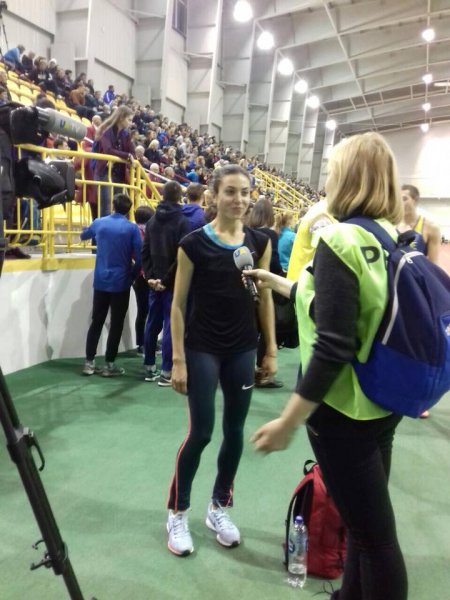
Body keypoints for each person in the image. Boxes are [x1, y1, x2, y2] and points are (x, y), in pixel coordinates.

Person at [248, 133, 408, 600]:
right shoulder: (390, 237)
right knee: (362, 529)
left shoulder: (339, 239)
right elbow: (340, 308)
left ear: (347, 178)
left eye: (333, 171)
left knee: (375, 539)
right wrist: (278, 282)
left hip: (340, 411)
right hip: (381, 403)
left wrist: (288, 421)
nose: (327, 181)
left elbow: (334, 344)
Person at [166, 164, 278, 557]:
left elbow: (265, 298)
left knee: (234, 432)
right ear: (214, 195)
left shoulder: (260, 241)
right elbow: (177, 305)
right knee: (201, 433)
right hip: (202, 349)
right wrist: (178, 359)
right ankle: (178, 512)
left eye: (245, 192)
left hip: (242, 349)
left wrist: (270, 349)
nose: (239, 199)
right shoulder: (193, 243)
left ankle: (219, 507)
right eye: (231, 191)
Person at [81, 193, 142, 377]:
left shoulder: (99, 222)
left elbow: (84, 235)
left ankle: (89, 362)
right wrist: (132, 276)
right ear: (129, 210)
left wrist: (87, 229)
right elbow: (139, 258)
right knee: (117, 323)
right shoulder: (132, 228)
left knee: (97, 321)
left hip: (101, 280)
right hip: (121, 282)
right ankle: (109, 364)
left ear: (113, 205)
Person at [141, 181, 190, 385]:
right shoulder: (183, 222)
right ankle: (166, 371)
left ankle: (149, 365)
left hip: (155, 282)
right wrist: (165, 280)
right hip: (172, 283)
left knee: (152, 323)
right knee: (171, 325)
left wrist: (150, 278)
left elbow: (145, 252)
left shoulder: (152, 221)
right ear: (179, 197)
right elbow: (181, 257)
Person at [399, 183, 441, 418]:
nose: (400, 201)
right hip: (397, 290)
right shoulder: (391, 224)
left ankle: (420, 399)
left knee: (419, 348)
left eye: (405, 198)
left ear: (414, 200)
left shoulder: (429, 227)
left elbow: (432, 268)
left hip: (418, 294)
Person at [93, 105, 135, 216]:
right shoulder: (106, 130)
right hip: (104, 172)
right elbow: (108, 150)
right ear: (121, 118)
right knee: (106, 207)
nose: (131, 123)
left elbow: (132, 152)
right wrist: (127, 155)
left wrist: (129, 155)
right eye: (129, 120)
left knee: (123, 207)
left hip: (118, 174)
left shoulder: (125, 134)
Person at [133, 205, 155, 355]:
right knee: (144, 311)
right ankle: (142, 343)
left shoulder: (136, 231)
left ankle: (144, 342)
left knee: (144, 311)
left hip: (140, 275)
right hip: (143, 276)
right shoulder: (144, 233)